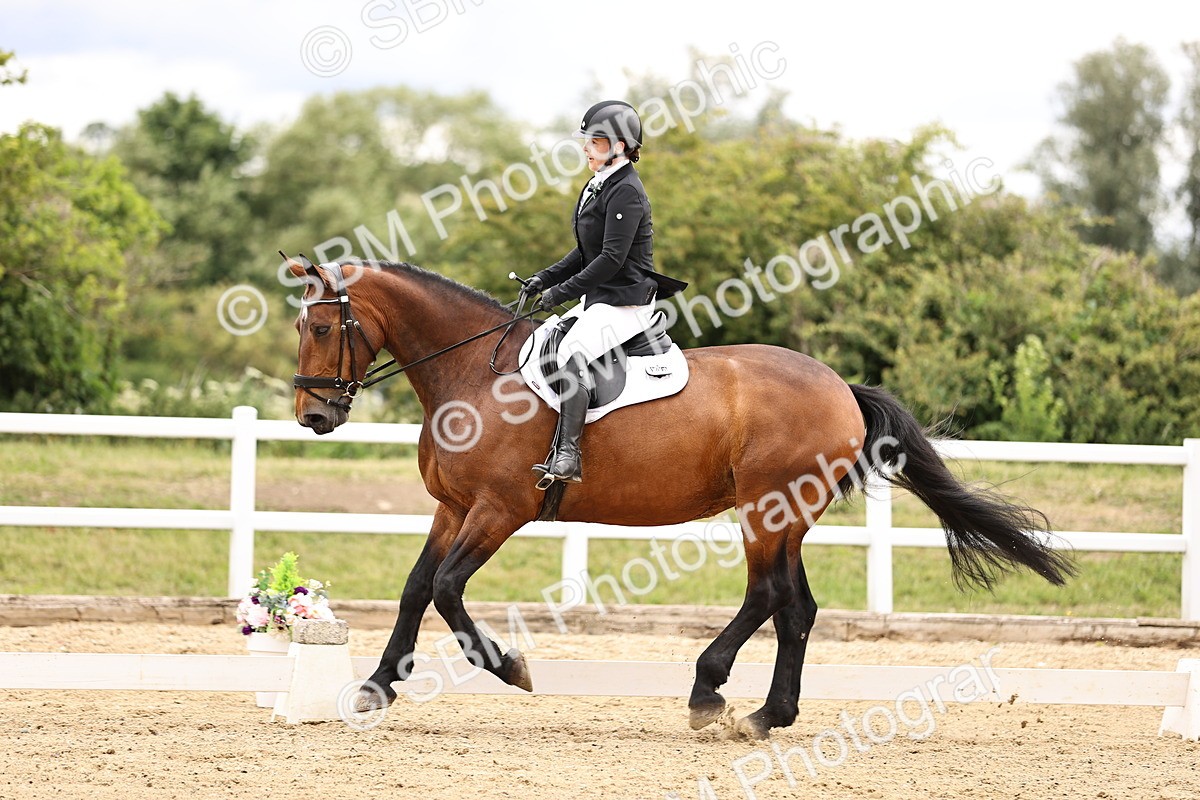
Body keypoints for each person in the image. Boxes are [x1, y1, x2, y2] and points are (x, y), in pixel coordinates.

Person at [520, 99, 687, 487]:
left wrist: (561, 292)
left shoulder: (626, 191)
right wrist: (544, 278)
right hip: (601, 297)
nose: (585, 148)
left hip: (624, 300)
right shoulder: (599, 183)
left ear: (619, 146)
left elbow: (611, 259)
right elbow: (585, 251)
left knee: (569, 352)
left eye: (594, 142)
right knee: (544, 340)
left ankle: (568, 456)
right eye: (587, 141)